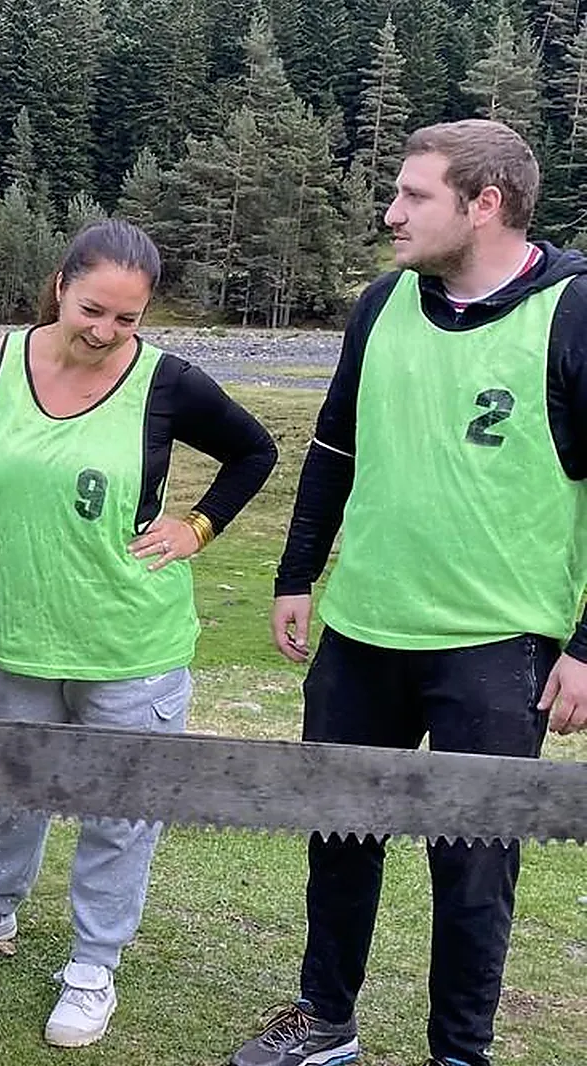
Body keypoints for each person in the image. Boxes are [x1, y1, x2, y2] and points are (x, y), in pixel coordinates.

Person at [229, 119, 587, 1066]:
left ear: (487, 204)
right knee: (339, 835)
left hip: (497, 643)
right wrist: (297, 571)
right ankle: (325, 1020)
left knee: (473, 866)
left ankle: (459, 1052)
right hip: (363, 627)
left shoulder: (575, 310)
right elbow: (335, 444)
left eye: (412, 196)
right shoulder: (383, 303)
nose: (390, 214)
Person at [0, 219, 277, 1047]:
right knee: (10, 788)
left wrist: (199, 525)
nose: (106, 331)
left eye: (127, 319)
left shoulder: (167, 383)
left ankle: (93, 965)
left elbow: (254, 452)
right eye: (93, 309)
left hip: (132, 645)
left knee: (120, 809)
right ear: (59, 285)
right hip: (17, 635)